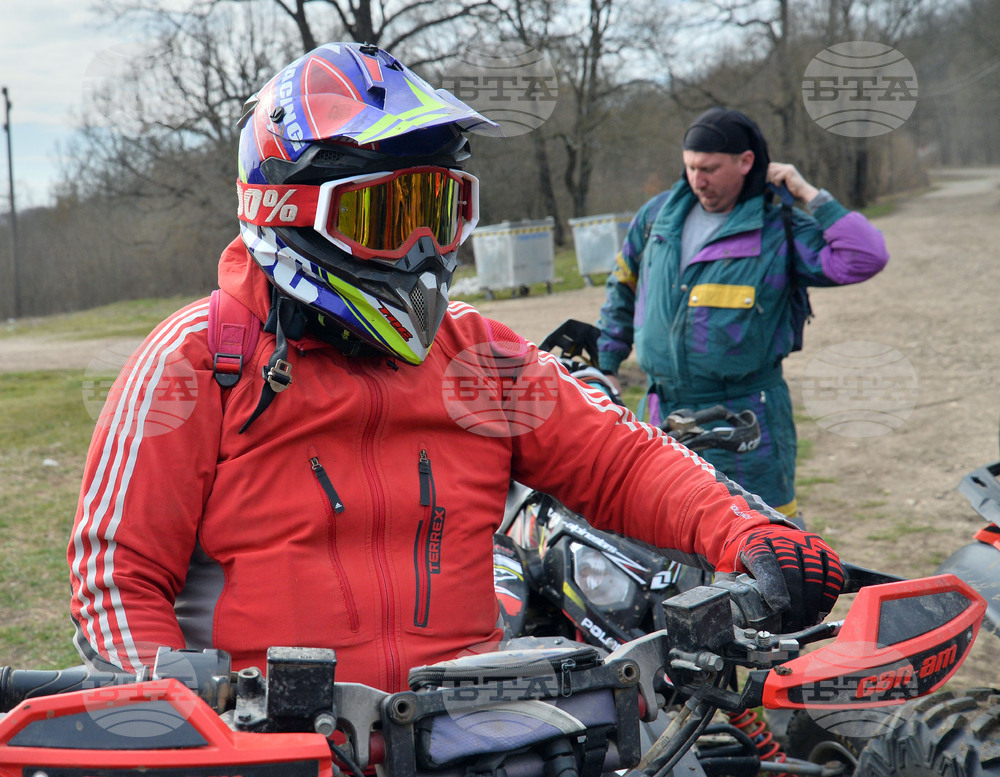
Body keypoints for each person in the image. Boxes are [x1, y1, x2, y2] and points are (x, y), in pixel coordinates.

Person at [68, 46, 844, 691]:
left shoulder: (476, 356)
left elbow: (623, 460)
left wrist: (745, 530)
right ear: (287, 213)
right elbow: (115, 578)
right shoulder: (199, 360)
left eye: (440, 212)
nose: (421, 250)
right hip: (274, 743)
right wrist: (183, 713)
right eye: (383, 216)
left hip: (473, 725)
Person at [597, 108, 889, 520]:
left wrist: (809, 194)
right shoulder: (657, 217)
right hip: (662, 413)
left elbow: (865, 256)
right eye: (691, 167)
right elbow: (622, 287)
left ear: (747, 162)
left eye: (711, 168)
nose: (699, 179)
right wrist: (606, 365)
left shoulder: (778, 227)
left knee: (763, 542)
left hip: (748, 422)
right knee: (665, 534)